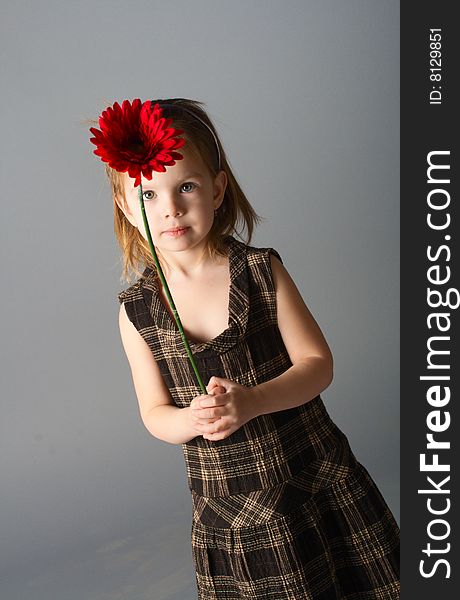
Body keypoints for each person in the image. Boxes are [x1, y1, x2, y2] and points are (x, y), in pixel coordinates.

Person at [107, 98, 400, 599]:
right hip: (233, 510)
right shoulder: (137, 311)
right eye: (149, 194)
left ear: (217, 189)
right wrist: (191, 421)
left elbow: (317, 364)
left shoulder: (260, 271)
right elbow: (155, 412)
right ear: (125, 207)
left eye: (187, 187)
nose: (171, 207)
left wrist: (253, 401)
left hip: (310, 483)